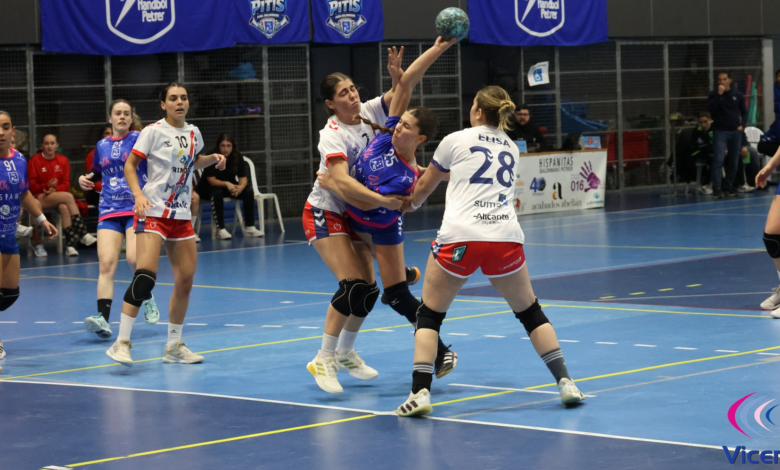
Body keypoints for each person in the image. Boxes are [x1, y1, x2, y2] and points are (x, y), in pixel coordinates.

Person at [395, 85, 586, 416]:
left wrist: (404, 202)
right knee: (530, 312)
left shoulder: (454, 139)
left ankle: (420, 394)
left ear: (479, 111)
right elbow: (473, 175)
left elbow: (422, 190)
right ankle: (566, 383)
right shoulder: (511, 146)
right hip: (504, 237)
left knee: (429, 315)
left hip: (461, 238)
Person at [320, 38, 459, 389]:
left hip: (378, 226)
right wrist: (436, 49)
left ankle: (439, 349)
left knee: (394, 295)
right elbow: (406, 86)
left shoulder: (406, 177)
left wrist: (336, 183)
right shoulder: (383, 138)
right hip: (354, 222)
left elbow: (368, 203)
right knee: (366, 289)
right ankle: (341, 351)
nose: (397, 127)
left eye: (406, 127)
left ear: (420, 139)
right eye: (399, 123)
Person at [303, 47, 423, 394]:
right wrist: (383, 201)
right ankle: (323, 358)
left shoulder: (370, 111)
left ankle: (345, 352)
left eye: (353, 88)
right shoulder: (332, 134)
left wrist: (402, 73)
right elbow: (340, 182)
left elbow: (404, 90)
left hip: (353, 212)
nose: (352, 95)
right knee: (353, 285)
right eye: (343, 93)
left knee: (369, 291)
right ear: (331, 103)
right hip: (325, 211)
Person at [105, 82, 226, 366]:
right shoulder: (152, 131)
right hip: (154, 211)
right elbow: (130, 166)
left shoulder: (194, 132)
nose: (179, 102)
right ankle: (121, 342)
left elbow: (191, 162)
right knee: (145, 276)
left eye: (183, 98)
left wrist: (212, 159)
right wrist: (138, 195)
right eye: (173, 98)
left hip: (180, 214)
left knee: (185, 280)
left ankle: (173, 345)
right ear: (163, 104)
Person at [78, 99, 160, 339]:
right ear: (110, 118)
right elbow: (97, 172)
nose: (122, 117)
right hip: (109, 209)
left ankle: (147, 296)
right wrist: (85, 178)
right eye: (118, 113)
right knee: (106, 264)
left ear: (131, 118)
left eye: (126, 113)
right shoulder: (102, 145)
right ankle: (103, 319)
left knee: (135, 260)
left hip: (136, 208)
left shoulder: (139, 138)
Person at [0, 111, 59, 368]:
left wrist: (42, 219)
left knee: (9, 294)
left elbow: (24, 193)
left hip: (8, 235)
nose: (0, 132)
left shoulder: (19, 160)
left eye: (5, 127)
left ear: (13, 131)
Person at [28, 134, 96, 256]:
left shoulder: (63, 160)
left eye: (52, 143)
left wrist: (54, 189)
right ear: (42, 146)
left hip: (57, 196)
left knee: (64, 207)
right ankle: (83, 233)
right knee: (69, 197)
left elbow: (66, 184)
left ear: (57, 145)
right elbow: (32, 186)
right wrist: (46, 186)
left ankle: (70, 245)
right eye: (46, 143)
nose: (49, 146)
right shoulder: (34, 161)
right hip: (40, 197)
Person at [204, 134, 263, 239]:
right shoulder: (212, 156)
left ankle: (250, 227)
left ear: (232, 146)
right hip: (211, 188)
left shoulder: (237, 156)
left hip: (229, 187)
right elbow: (211, 180)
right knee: (217, 193)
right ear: (218, 146)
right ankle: (220, 229)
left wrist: (240, 188)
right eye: (223, 145)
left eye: (228, 146)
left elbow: (243, 178)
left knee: (248, 191)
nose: (225, 149)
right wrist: (227, 184)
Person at [708, 71, 748, 199]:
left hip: (735, 131)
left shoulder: (737, 95)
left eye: (724, 79)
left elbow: (744, 112)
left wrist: (742, 125)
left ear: (730, 80)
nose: (722, 82)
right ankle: (716, 188)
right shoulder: (713, 94)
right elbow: (711, 110)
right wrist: (719, 95)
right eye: (720, 80)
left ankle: (728, 186)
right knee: (718, 160)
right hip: (720, 131)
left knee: (734, 162)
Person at [84, 125, 113, 207]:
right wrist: (109, 190)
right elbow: (92, 179)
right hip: (96, 192)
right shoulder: (93, 154)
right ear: (101, 136)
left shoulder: (119, 153)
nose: (110, 136)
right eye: (107, 133)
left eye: (112, 133)